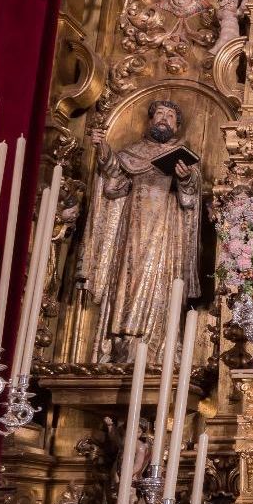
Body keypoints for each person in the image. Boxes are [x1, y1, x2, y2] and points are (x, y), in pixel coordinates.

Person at [79, 99, 202, 362]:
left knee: (162, 284)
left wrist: (185, 178)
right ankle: (124, 345)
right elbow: (113, 179)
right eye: (160, 114)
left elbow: (191, 198)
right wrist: (102, 148)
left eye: (170, 116)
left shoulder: (182, 157)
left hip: (166, 236)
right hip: (132, 231)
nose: (164, 119)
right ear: (150, 120)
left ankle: (156, 346)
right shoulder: (132, 153)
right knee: (128, 282)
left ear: (177, 126)